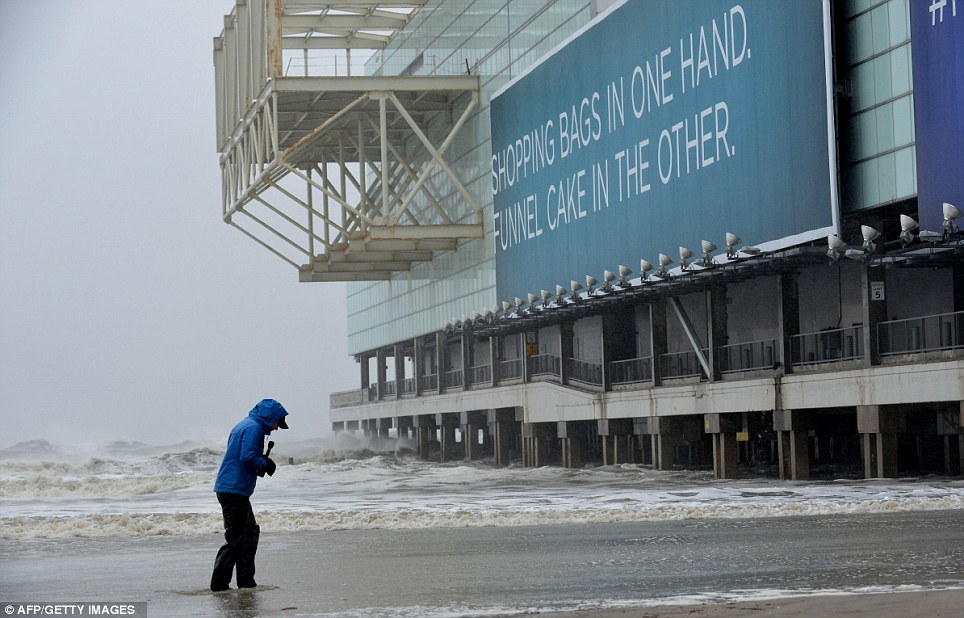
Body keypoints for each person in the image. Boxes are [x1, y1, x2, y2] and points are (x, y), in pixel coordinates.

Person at [210, 398, 289, 591]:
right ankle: (219, 584)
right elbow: (247, 457)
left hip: (233, 489)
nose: (278, 427)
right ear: (271, 417)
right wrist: (264, 464)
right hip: (233, 490)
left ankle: (246, 582)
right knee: (237, 539)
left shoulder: (245, 425)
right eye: (278, 422)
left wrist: (261, 461)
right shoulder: (254, 428)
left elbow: (243, 454)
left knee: (250, 535)